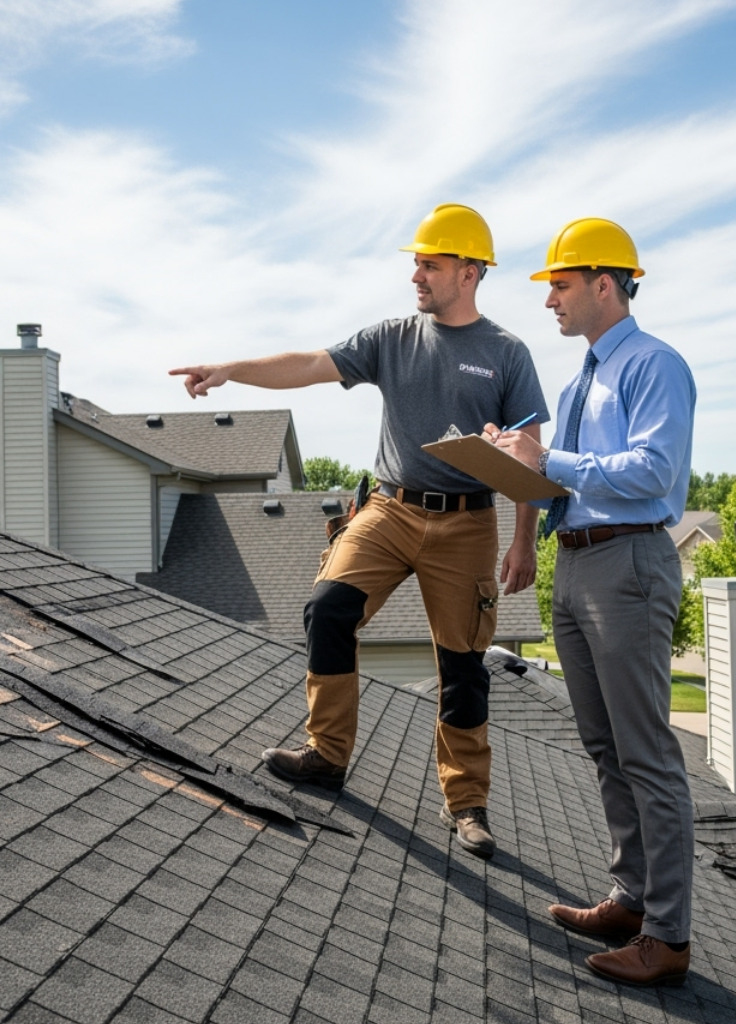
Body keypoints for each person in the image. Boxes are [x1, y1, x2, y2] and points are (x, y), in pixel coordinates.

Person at [170, 204, 547, 860]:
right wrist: (231, 368)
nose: (416, 276)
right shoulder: (393, 338)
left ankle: (467, 804)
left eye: (429, 264)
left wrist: (522, 542)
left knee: (463, 666)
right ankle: (327, 753)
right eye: (416, 264)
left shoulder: (507, 354)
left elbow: (528, 451)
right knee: (328, 608)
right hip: (390, 509)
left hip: (467, 526)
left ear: (469, 271)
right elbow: (309, 363)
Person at [491, 217, 697, 985]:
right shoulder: (581, 379)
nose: (549, 299)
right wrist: (509, 459)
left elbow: (650, 471)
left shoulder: (654, 365)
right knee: (605, 747)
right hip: (574, 562)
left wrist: (548, 456)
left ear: (604, 283)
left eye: (560, 284)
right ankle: (633, 897)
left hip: (629, 563)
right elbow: (563, 477)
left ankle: (668, 939)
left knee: (647, 754)